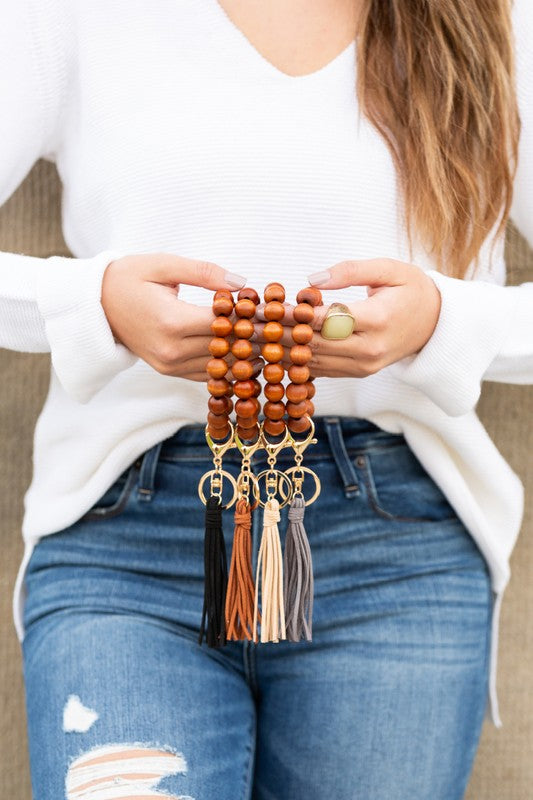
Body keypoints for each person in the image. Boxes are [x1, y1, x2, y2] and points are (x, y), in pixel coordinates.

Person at [1, 0, 532, 797]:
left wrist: (446, 323)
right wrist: (92, 303)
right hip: (126, 542)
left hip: (391, 558)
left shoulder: (500, 15)